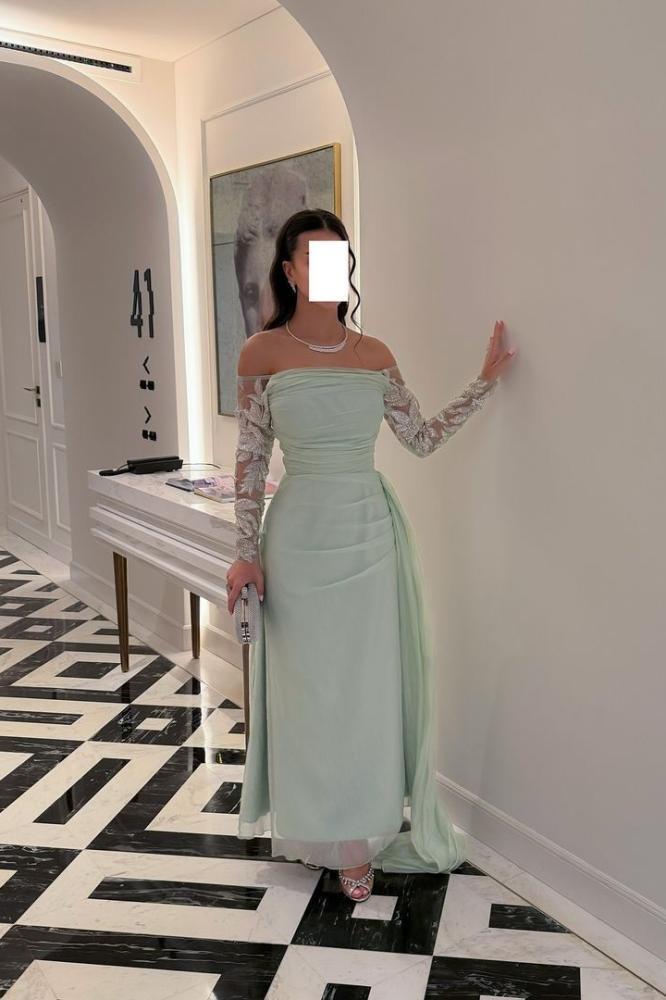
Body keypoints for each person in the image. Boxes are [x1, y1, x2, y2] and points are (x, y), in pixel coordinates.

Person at [226, 208, 517, 902]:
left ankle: (357, 834)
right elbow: (250, 461)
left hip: (367, 532)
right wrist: (244, 553)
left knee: (364, 689)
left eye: (340, 257)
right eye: (314, 257)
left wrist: (482, 383)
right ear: (290, 270)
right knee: (309, 690)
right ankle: (321, 825)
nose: (329, 269)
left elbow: (420, 438)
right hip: (297, 538)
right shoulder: (261, 354)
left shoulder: (373, 353)